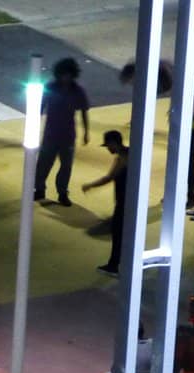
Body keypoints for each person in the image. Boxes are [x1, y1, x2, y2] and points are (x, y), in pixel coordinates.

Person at [34, 57, 90, 207]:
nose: (65, 78)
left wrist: (86, 132)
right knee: (44, 163)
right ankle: (40, 189)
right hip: (51, 133)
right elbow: (40, 107)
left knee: (66, 166)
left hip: (67, 134)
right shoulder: (51, 87)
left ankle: (62, 192)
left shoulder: (78, 91)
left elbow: (84, 112)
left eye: (68, 75)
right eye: (63, 75)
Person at [82, 130, 129, 278]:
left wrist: (90, 185)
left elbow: (109, 178)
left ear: (114, 143)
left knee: (118, 233)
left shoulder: (121, 158)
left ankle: (114, 265)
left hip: (124, 201)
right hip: (132, 200)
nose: (108, 148)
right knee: (126, 233)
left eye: (108, 145)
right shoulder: (132, 152)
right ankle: (124, 263)